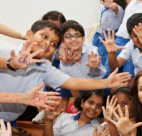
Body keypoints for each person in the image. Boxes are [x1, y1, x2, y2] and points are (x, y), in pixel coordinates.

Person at [0, 20, 131, 126]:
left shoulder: (44, 66)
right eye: (44, 36)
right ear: (29, 34)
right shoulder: (5, 51)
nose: (47, 43)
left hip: (10, 123)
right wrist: (10, 64)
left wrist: (106, 82)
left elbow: (72, 82)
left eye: (53, 43)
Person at [58, 20, 108, 110]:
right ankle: (74, 109)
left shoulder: (91, 50)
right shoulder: (64, 59)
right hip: (80, 86)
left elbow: (94, 56)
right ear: (63, 41)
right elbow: (71, 84)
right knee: (66, 83)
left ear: (83, 39)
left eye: (77, 35)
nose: (73, 39)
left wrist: (94, 63)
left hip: (99, 83)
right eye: (68, 36)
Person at [92, 0, 126, 66]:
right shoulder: (102, 5)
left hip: (110, 35)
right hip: (100, 30)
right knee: (96, 50)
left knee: (106, 55)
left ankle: (106, 71)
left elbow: (115, 7)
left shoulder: (118, 7)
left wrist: (110, 5)